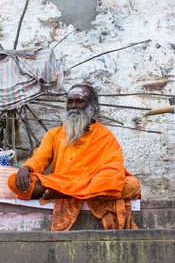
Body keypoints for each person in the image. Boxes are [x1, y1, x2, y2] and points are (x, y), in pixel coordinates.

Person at [8, 84, 141, 231]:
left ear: (93, 106)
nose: (73, 106)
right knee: (14, 181)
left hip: (88, 182)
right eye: (70, 102)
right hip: (62, 183)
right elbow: (39, 159)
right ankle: (75, 193)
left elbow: (114, 167)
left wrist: (76, 186)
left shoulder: (104, 135)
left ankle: (66, 194)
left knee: (132, 184)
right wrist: (25, 168)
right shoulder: (54, 134)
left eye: (79, 101)